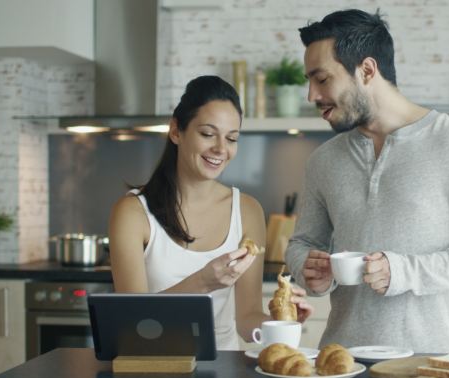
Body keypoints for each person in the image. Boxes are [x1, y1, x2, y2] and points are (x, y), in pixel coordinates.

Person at [284, 9, 449, 353]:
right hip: (339, 365)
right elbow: (302, 243)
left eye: (322, 79)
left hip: (427, 366)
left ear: (367, 70)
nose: (311, 95)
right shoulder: (323, 161)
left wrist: (405, 272)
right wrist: (308, 269)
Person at [109, 75, 313, 350]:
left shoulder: (248, 211)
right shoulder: (132, 213)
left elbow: (246, 319)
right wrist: (203, 282)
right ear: (176, 131)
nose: (221, 149)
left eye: (232, 138)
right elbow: (133, 322)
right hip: (153, 367)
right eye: (207, 134)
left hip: (223, 370)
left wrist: (281, 324)